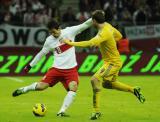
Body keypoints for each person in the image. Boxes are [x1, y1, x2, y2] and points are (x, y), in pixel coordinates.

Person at [64, 10, 146, 120]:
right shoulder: (108, 26)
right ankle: (133, 90)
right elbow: (119, 36)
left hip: (113, 63)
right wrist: (105, 42)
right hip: (112, 61)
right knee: (107, 84)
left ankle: (96, 111)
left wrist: (70, 43)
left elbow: (89, 43)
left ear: (94, 21)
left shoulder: (104, 32)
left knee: (94, 79)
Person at [12, 18, 92, 116]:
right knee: (41, 87)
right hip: (56, 69)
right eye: (51, 33)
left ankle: (61, 112)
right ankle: (25, 89)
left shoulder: (70, 31)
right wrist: (30, 65)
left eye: (54, 32)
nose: (53, 34)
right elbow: (41, 53)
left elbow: (85, 24)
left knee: (73, 87)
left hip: (71, 70)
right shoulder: (49, 40)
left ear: (59, 28)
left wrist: (95, 17)